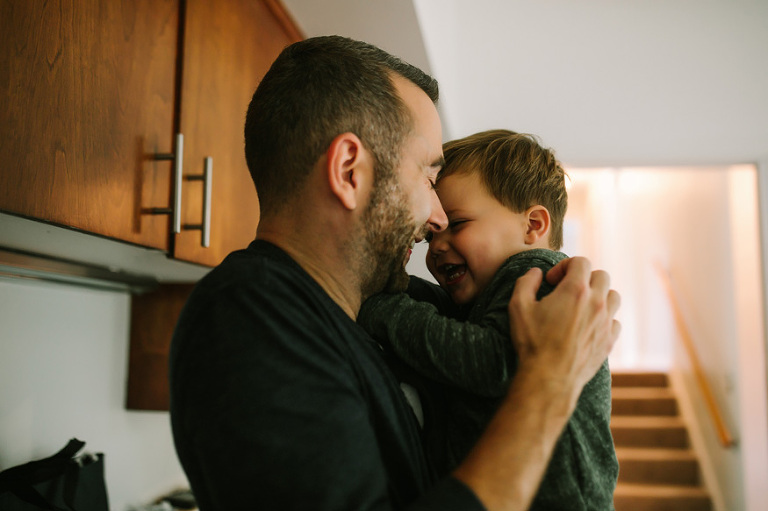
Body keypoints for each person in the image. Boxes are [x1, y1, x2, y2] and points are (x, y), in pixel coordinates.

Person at [169, 35, 620, 511]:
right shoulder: (251, 317)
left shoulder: (344, 317)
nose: (439, 219)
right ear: (349, 172)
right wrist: (549, 382)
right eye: (428, 176)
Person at [358, 129, 618, 509]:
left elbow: (493, 361)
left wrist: (382, 308)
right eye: (432, 238)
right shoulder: (492, 292)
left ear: (533, 226)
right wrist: (396, 286)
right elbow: (449, 320)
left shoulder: (541, 276)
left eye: (458, 224)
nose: (437, 247)